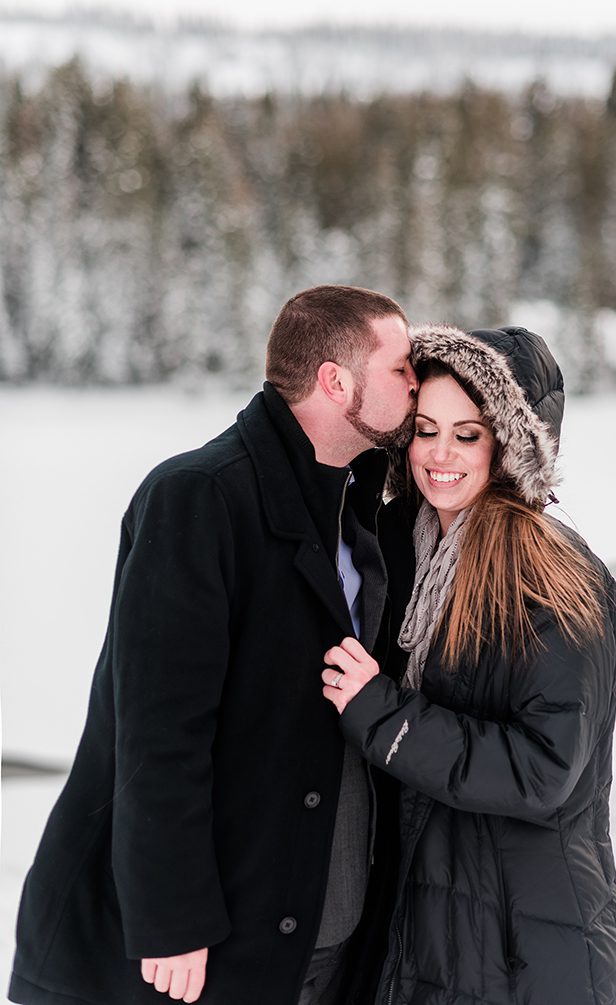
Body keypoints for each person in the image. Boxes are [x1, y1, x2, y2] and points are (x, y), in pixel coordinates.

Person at [10, 285, 418, 1005]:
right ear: (336, 380)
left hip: (314, 932)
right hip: (196, 946)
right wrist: (171, 918)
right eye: (401, 370)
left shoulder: (356, 508)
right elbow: (158, 731)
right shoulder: (198, 497)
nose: (416, 387)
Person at [316, 323, 616, 1005]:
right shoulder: (404, 545)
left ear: (512, 444)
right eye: (426, 429)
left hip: (524, 932)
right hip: (431, 911)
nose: (440, 455)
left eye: (468, 434)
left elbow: (546, 767)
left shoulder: (548, 572)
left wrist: (384, 716)